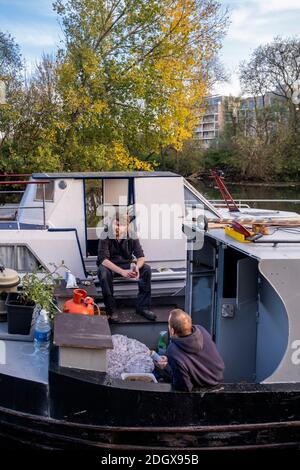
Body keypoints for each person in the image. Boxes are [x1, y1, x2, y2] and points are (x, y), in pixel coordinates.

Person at [97, 213, 156, 322]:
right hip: (109, 265)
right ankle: (111, 310)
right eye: (116, 224)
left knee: (146, 269)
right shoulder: (105, 233)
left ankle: (143, 307)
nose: (118, 228)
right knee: (103, 272)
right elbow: (103, 260)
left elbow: (141, 257)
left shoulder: (132, 234)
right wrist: (122, 272)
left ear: (127, 227)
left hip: (125, 264)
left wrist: (137, 268)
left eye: (121, 225)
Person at [156, 309, 224, 391]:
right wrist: (170, 360)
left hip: (203, 391)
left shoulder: (173, 351)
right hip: (219, 380)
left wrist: (166, 367)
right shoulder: (201, 329)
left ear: (172, 331)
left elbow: (183, 387)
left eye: (169, 325)